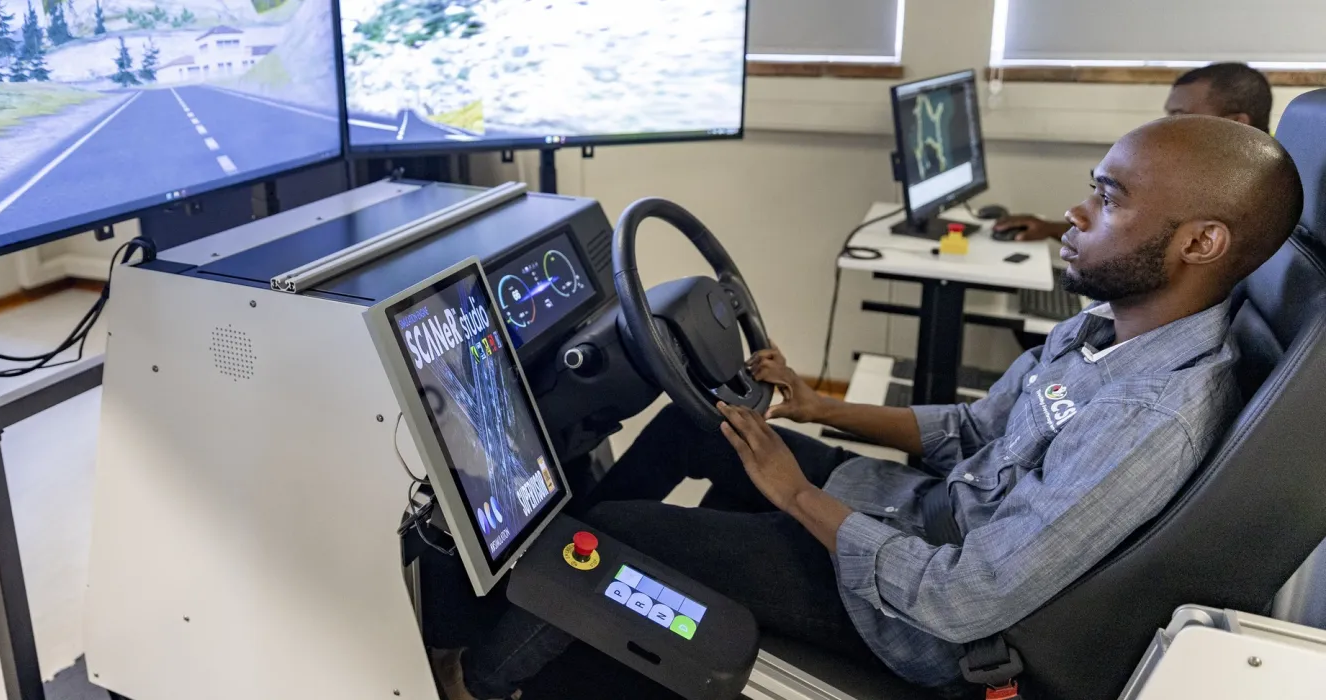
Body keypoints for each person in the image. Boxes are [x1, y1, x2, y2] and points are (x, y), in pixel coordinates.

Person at [434, 116, 1303, 699]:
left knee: (625, 530)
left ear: (1201, 242)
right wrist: (818, 405)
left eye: (1109, 199)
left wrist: (796, 497)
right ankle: (529, 602)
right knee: (696, 423)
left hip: (917, 621)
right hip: (917, 517)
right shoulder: (1106, 328)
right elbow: (971, 431)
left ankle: (480, 676)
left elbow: (965, 602)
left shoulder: (1152, 418)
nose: (1075, 214)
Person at [995, 62, 1275, 242]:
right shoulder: (1218, 173)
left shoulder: (1247, 202)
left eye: (1179, 115)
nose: (1166, 126)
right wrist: (1048, 229)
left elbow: (1137, 248)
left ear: (1235, 124)